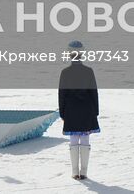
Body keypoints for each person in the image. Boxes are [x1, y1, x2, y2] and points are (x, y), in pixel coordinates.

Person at [58, 40, 100, 182]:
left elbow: (61, 94)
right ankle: (84, 172)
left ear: (69, 54)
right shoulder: (89, 71)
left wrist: (62, 113)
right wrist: (96, 112)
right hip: (87, 109)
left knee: (74, 140)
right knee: (85, 139)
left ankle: (75, 172)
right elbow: (94, 93)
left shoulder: (65, 72)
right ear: (82, 53)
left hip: (70, 110)